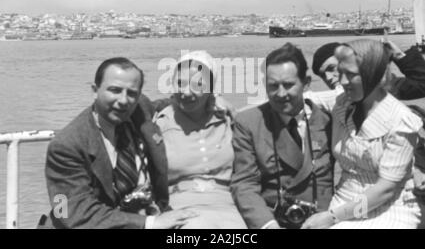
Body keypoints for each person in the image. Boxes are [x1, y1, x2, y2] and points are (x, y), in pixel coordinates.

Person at [38, 57, 196, 229]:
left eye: (131, 93)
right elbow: (71, 212)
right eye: (114, 90)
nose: (123, 100)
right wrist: (151, 223)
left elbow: (166, 104)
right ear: (94, 90)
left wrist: (210, 101)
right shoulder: (66, 146)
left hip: (147, 214)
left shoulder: (139, 110)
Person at [302, 39, 423, 229]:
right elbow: (301, 99)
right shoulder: (342, 102)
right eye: (340, 73)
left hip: (389, 206)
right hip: (344, 199)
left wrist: (332, 217)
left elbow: (385, 190)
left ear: (371, 74)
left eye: (349, 74)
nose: (339, 81)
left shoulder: (401, 120)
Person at [231, 43, 334, 229]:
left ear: (306, 83)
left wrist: (331, 217)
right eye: (273, 86)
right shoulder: (249, 123)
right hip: (274, 221)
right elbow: (245, 184)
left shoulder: (327, 122)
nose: (280, 93)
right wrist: (267, 224)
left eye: (288, 85)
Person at [154, 50, 247, 229]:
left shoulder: (227, 119)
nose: (186, 92)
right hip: (181, 208)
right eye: (180, 83)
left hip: (230, 208)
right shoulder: (161, 123)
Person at [311, 39, 425, 100]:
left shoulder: (381, 87)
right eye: (322, 75)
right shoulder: (328, 105)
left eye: (331, 68)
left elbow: (422, 84)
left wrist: (399, 56)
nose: (328, 78)